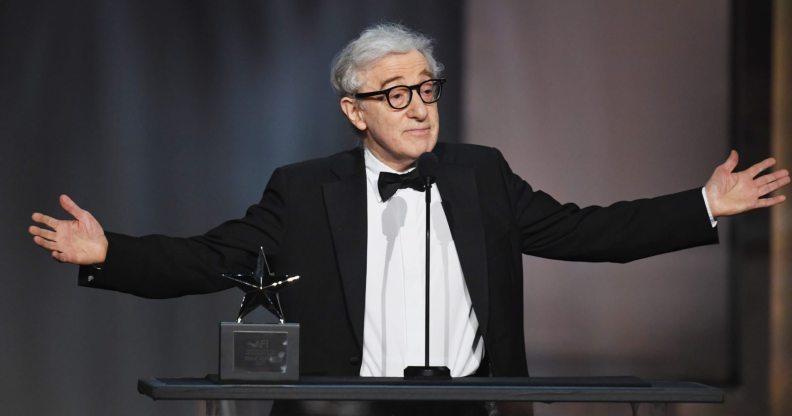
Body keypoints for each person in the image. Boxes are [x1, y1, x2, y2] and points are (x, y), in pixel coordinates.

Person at [29, 23, 789, 414]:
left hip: (469, 413)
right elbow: (208, 259)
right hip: (346, 414)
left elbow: (584, 232)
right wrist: (110, 253)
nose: (419, 106)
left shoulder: (479, 174)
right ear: (353, 110)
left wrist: (703, 206)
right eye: (396, 94)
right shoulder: (303, 190)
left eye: (426, 89)